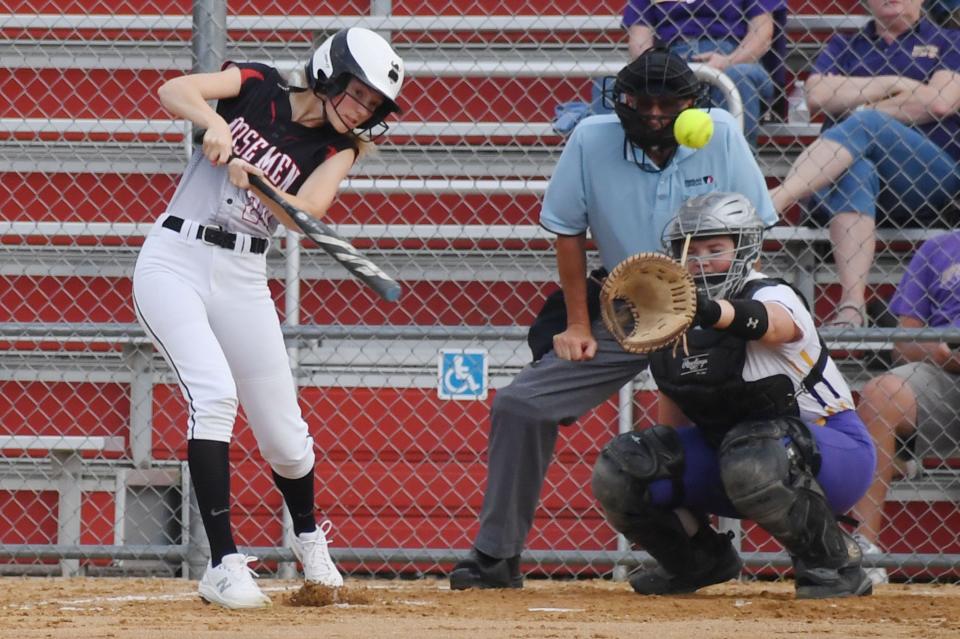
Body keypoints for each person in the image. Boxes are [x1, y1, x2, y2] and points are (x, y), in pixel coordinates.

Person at [448, 48, 778, 591]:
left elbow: (754, 235)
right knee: (520, 405)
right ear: (621, 101)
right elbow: (568, 232)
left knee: (746, 416)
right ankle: (496, 556)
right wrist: (578, 323)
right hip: (627, 305)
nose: (653, 114)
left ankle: (773, 553)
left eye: (667, 103)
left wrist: (734, 320)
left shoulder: (717, 132)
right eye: (642, 102)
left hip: (708, 304)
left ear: (689, 105)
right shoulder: (592, 138)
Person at [132, 27, 404, 609]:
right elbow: (176, 89)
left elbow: (309, 209)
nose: (363, 112)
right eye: (358, 95)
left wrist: (256, 177)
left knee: (285, 437)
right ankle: (223, 565)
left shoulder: (340, 149)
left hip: (244, 278)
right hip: (174, 261)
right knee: (213, 394)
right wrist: (217, 124)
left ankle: (309, 542)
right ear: (329, 74)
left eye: (373, 106)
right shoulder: (259, 84)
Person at [591, 192, 876, 599]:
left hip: (832, 452)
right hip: (736, 457)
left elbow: (775, 326)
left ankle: (833, 563)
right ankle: (696, 560)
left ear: (745, 250)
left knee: (752, 450)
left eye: (716, 249)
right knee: (625, 465)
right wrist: (665, 478)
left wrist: (708, 311)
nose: (702, 261)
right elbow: (673, 428)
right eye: (693, 251)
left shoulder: (770, 294)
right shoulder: (671, 324)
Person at [768, 0, 960, 327]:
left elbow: (940, 103)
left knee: (866, 123)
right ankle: (852, 304)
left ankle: (774, 201)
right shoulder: (845, 43)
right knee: (856, 169)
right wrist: (895, 85)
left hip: (929, 176)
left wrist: (857, 108)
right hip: (861, 186)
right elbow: (815, 95)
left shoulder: (949, 39)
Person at [850, 230, 960, 586]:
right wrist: (938, 352)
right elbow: (904, 341)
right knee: (881, 391)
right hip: (943, 372)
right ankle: (864, 549)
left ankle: (904, 456)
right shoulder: (939, 248)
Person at [623, 0, 787, 147]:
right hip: (672, 58)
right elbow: (639, 40)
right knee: (610, 84)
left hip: (736, 57)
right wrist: (659, 68)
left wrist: (728, 61)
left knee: (737, 78)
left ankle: (735, 168)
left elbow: (762, 33)